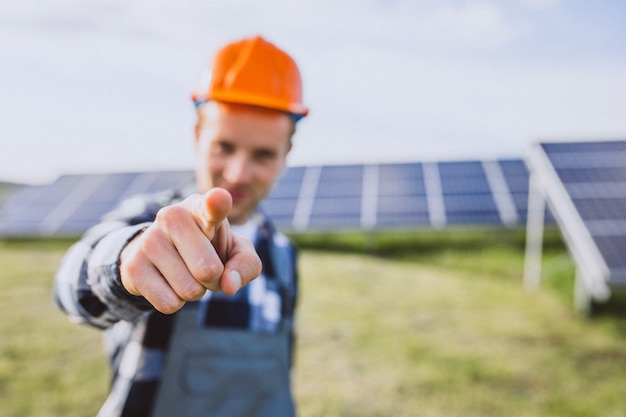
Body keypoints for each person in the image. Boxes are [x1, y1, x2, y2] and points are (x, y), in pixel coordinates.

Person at [53, 35, 308, 417]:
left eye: (263, 154)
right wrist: (125, 263)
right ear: (197, 137)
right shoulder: (151, 218)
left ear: (286, 154)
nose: (237, 174)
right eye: (224, 146)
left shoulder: (283, 253)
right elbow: (72, 287)